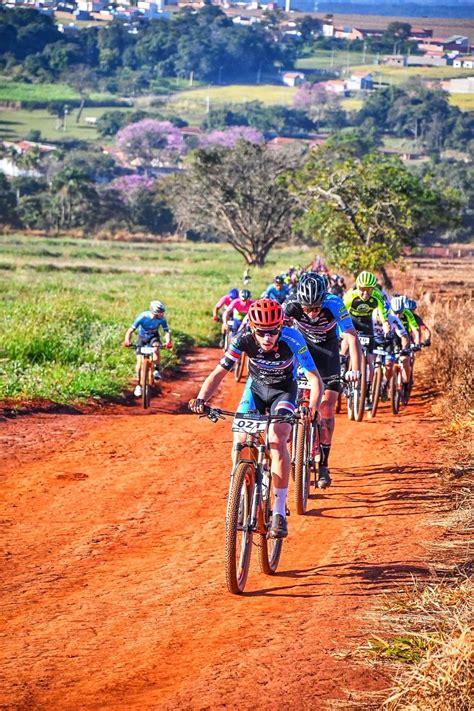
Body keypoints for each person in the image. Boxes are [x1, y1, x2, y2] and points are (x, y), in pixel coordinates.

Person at [189, 298, 324, 539]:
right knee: (240, 437)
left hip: (284, 390)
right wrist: (201, 399)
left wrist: (311, 407)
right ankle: (239, 489)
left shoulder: (292, 338)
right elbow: (219, 372)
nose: (267, 337)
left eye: (273, 331)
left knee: (277, 437)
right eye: (262, 332)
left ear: (281, 327)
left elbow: (315, 379)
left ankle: (280, 511)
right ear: (253, 329)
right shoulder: (242, 339)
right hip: (255, 389)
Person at [283, 272, 361, 488]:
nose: (312, 313)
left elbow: (351, 336)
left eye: (316, 307)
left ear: (324, 299)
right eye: (307, 308)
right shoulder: (291, 305)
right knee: (292, 400)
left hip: (328, 355)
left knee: (326, 407)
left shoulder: (334, 303)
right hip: (303, 353)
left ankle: (324, 463)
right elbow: (279, 332)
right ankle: (293, 440)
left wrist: (355, 369)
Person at [343, 270, 390, 409]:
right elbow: (341, 313)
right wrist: (341, 330)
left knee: (370, 360)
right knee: (346, 342)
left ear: (373, 288)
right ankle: (342, 367)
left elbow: (382, 314)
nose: (365, 293)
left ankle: (367, 390)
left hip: (366, 324)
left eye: (368, 290)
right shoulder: (351, 296)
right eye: (362, 290)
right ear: (358, 287)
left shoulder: (377, 296)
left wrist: (386, 326)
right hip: (351, 321)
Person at [123, 300, 172, 397]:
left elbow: (167, 331)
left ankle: (157, 370)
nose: (162, 314)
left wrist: (168, 341)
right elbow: (131, 330)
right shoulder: (143, 317)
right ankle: (138, 385)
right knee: (139, 364)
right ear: (155, 312)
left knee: (156, 347)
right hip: (142, 338)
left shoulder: (162, 319)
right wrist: (127, 340)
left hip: (154, 337)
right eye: (160, 312)